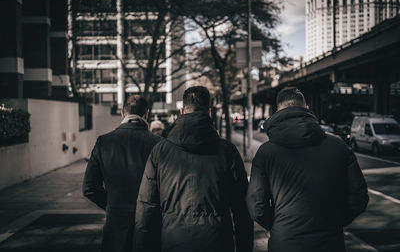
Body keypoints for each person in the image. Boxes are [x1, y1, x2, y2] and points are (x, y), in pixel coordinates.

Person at [246, 87, 369, 252]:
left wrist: (278, 226)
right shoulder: (338, 146)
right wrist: (334, 222)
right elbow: (359, 197)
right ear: (307, 109)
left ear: (277, 111)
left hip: (285, 243)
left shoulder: (266, 152)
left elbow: (256, 206)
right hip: (330, 243)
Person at [134, 86, 253, 252]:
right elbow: (242, 209)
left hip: (173, 241)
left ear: (182, 111)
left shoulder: (160, 152)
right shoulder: (227, 151)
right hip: (218, 241)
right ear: (208, 111)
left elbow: (146, 207)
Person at [82, 95, 161, 252]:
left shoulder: (104, 142)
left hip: (115, 224)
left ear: (122, 114)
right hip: (149, 224)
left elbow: (89, 187)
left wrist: (112, 205)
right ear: (146, 114)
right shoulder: (159, 144)